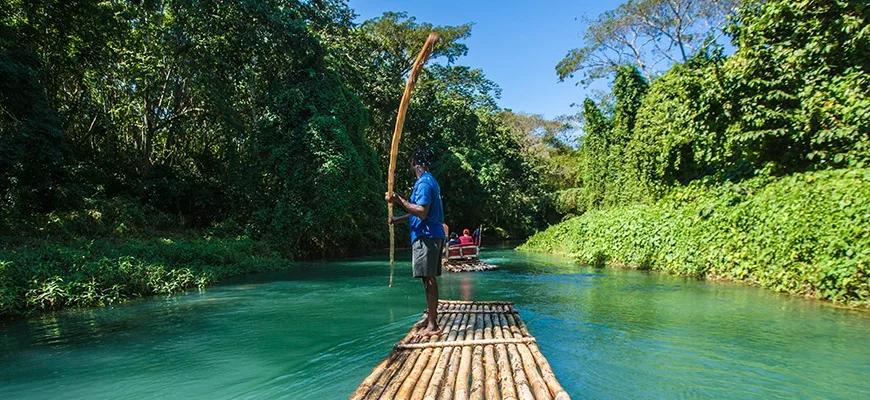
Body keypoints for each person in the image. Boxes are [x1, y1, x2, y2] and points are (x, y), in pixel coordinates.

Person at [386, 148, 445, 337]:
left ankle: (433, 325)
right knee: (427, 278)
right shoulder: (428, 182)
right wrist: (398, 219)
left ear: (415, 163)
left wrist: (398, 199)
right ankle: (431, 320)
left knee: (428, 278)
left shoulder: (425, 183)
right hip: (428, 234)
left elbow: (421, 211)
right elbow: (416, 211)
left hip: (427, 236)